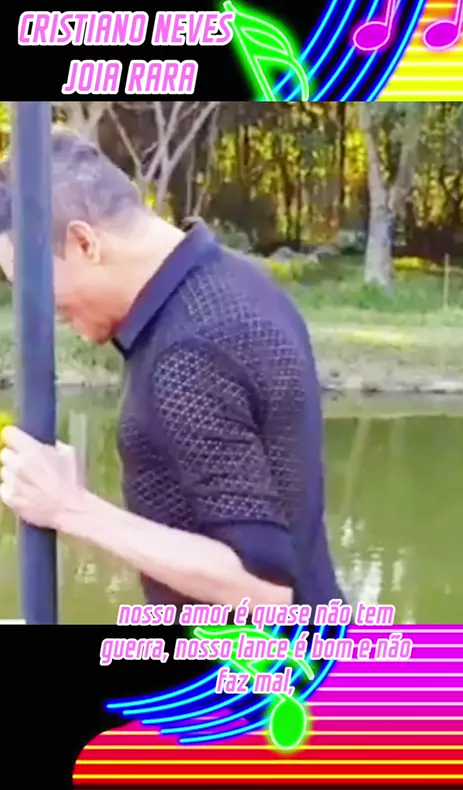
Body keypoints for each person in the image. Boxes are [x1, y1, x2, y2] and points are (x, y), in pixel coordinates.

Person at [0, 129, 342, 611]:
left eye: (36, 283)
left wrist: (71, 507)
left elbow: (263, 589)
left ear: (84, 243)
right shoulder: (229, 280)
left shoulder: (193, 346)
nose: (41, 306)